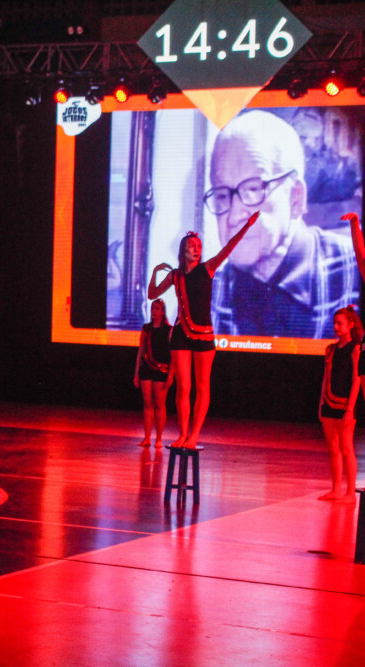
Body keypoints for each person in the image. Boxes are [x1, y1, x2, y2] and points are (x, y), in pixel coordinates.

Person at [207, 110, 358, 339]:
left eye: (253, 189)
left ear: (296, 198)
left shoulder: (355, 272)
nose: (233, 216)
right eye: (221, 195)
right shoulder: (206, 294)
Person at [148, 213, 259, 449]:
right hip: (181, 334)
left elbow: (228, 248)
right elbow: (152, 294)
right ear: (183, 250)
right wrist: (156, 271)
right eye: (191, 245)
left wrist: (246, 225)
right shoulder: (175, 275)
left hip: (204, 334)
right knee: (183, 387)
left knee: (202, 386)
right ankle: (182, 434)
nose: (196, 249)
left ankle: (194, 435)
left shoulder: (207, 268)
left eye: (198, 246)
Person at [317, 306, 361, 504]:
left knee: (346, 447)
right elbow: (326, 377)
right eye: (334, 323)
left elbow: (357, 380)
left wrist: (350, 408)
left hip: (345, 405)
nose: (336, 327)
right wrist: (321, 403)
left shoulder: (356, 349)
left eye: (339, 323)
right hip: (329, 402)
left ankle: (350, 493)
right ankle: (336, 489)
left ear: (350, 325)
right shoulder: (330, 349)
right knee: (333, 447)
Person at [133, 299, 173, 448]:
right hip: (146, 369)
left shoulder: (169, 330)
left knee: (159, 404)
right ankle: (147, 438)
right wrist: (136, 373)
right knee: (147, 403)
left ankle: (159, 439)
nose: (154, 312)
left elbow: (173, 355)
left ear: (163, 312)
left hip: (162, 370)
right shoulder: (146, 328)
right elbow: (141, 351)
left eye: (157, 309)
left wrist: (171, 375)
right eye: (152, 309)